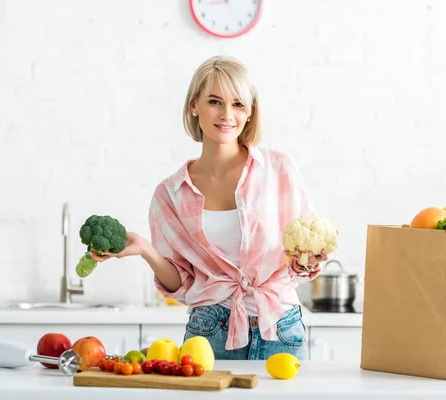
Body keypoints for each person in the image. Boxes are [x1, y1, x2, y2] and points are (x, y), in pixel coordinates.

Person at [91, 55, 330, 361]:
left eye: (238, 104)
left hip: (280, 325)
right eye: (215, 101)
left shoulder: (279, 170)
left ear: (249, 112)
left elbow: (301, 258)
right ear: (194, 105)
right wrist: (146, 251)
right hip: (210, 331)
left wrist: (308, 261)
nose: (227, 114)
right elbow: (182, 282)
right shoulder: (170, 194)